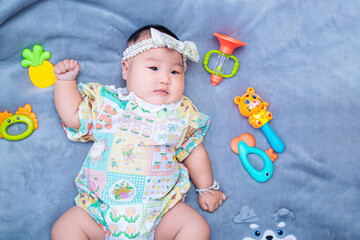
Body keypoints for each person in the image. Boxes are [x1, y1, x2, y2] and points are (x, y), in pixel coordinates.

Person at [51, 25, 226, 240]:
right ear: (126, 69)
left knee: (196, 227)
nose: (165, 79)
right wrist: (65, 82)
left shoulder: (180, 115)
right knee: (65, 229)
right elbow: (73, 116)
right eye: (154, 68)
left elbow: (193, 150)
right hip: (101, 211)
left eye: (175, 71)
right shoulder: (109, 105)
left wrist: (206, 187)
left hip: (160, 211)